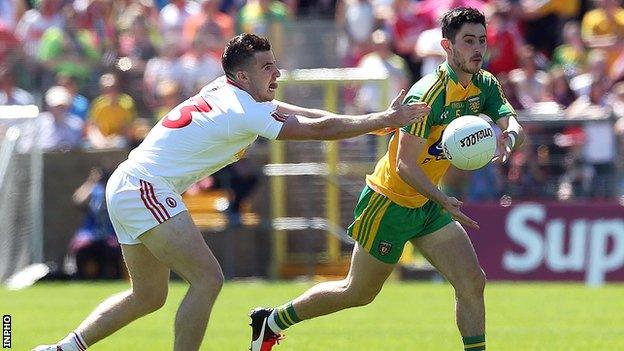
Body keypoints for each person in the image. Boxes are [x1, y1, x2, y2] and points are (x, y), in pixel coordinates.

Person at [32, 33, 430, 351]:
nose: (277, 73)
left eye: (275, 64)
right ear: (242, 76)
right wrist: (382, 118)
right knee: (207, 279)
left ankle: (64, 348)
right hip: (144, 187)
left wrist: (373, 121)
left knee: (148, 295)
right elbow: (318, 130)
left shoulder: (227, 90)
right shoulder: (245, 109)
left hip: (132, 184)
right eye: (266, 67)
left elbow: (306, 114)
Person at [249, 8, 525, 351]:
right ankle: (272, 320)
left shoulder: (483, 83)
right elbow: (404, 165)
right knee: (357, 292)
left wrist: (508, 139)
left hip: (425, 201)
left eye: (482, 40)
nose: (477, 48)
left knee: (472, 281)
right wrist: (444, 201)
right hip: (390, 201)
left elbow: (511, 122)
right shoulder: (428, 94)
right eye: (468, 41)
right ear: (447, 46)